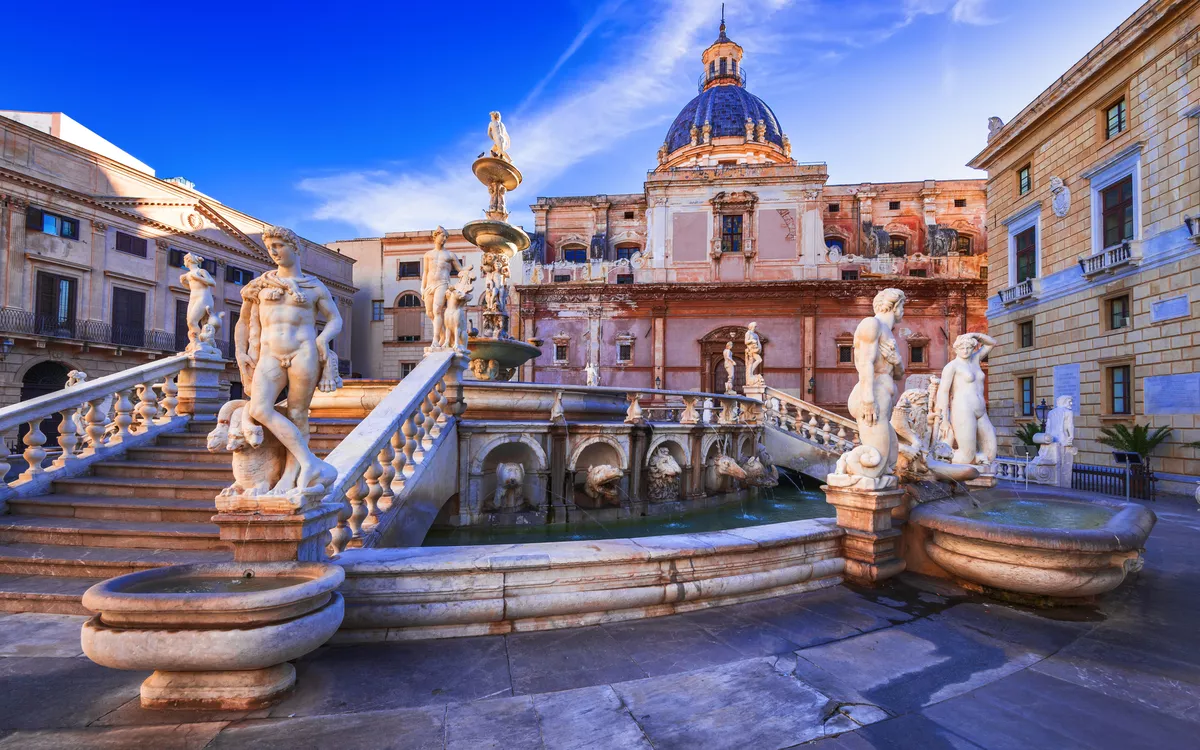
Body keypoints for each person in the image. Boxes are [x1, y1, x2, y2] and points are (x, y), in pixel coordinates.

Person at [235, 226, 342, 495]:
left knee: (297, 414)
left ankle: (290, 476)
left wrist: (322, 340)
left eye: (279, 245)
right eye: (270, 247)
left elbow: (335, 319)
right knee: (259, 409)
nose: (274, 251)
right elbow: (244, 322)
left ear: (296, 248)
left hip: (303, 351)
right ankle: (309, 462)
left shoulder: (314, 286)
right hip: (269, 353)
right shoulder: (259, 285)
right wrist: (240, 351)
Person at [845, 288, 907, 481]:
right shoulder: (871, 324)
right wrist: (868, 400)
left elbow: (899, 375)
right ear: (894, 306)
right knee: (875, 467)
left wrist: (897, 361)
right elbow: (865, 363)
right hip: (872, 397)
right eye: (903, 305)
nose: (904, 310)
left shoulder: (889, 333)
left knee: (889, 464)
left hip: (884, 399)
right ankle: (846, 479)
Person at [935, 332, 998, 466]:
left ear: (973, 348)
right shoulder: (952, 366)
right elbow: (943, 392)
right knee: (966, 457)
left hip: (981, 411)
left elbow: (992, 343)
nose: (965, 351)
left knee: (990, 454)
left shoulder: (976, 359)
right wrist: (944, 419)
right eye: (962, 348)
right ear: (956, 349)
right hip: (963, 410)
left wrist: (974, 335)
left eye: (969, 348)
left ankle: (973, 467)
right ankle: (937, 457)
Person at [421, 226, 464, 349]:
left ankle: (435, 340)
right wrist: (422, 288)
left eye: (446, 237)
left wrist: (469, 270)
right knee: (430, 313)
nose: (444, 239)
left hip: (442, 283)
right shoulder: (428, 255)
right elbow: (425, 272)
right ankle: (443, 335)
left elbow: (460, 270)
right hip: (429, 285)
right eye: (443, 236)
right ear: (436, 236)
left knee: (437, 311)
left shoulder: (450, 255)